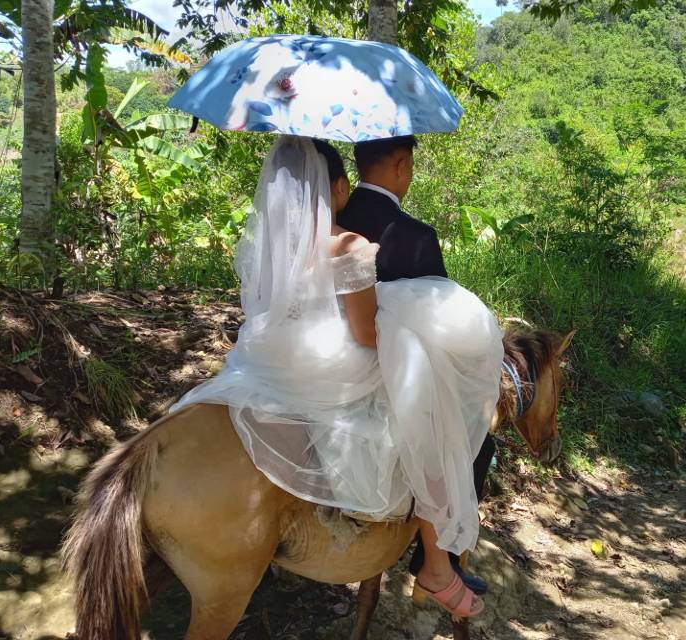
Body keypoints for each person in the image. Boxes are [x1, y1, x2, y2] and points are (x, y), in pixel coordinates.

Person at [170, 135, 501, 618]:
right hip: (330, 367)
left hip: (267, 360)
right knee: (430, 430)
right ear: (338, 188)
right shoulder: (349, 244)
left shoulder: (265, 249)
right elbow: (366, 335)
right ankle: (435, 565)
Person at [337, 135, 497, 597]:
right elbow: (443, 324)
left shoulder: (330, 223)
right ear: (402, 166)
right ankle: (434, 561)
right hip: (387, 366)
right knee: (477, 444)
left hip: (328, 354)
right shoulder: (415, 234)